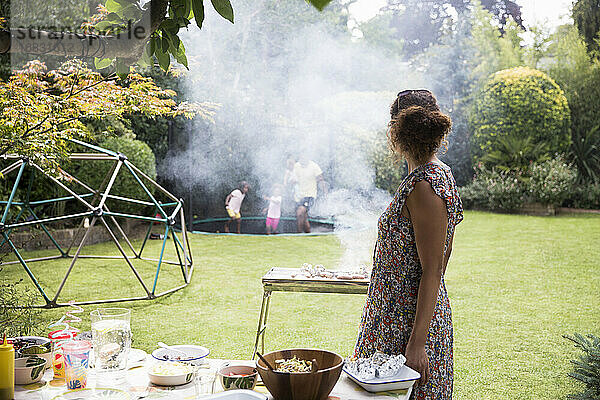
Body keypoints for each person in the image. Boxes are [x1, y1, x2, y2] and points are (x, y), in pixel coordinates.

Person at [354, 90, 463, 400]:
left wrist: (416, 344)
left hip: (407, 324)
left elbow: (434, 270)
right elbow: (440, 257)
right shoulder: (434, 176)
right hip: (398, 315)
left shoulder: (424, 186)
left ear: (395, 132)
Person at [290, 154, 326, 233]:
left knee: (300, 212)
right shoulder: (296, 166)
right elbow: (293, 178)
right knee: (304, 217)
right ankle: (308, 233)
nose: (302, 160)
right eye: (300, 158)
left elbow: (321, 178)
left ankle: (298, 233)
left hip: (310, 195)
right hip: (299, 195)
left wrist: (325, 193)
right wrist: (293, 181)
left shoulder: (314, 166)